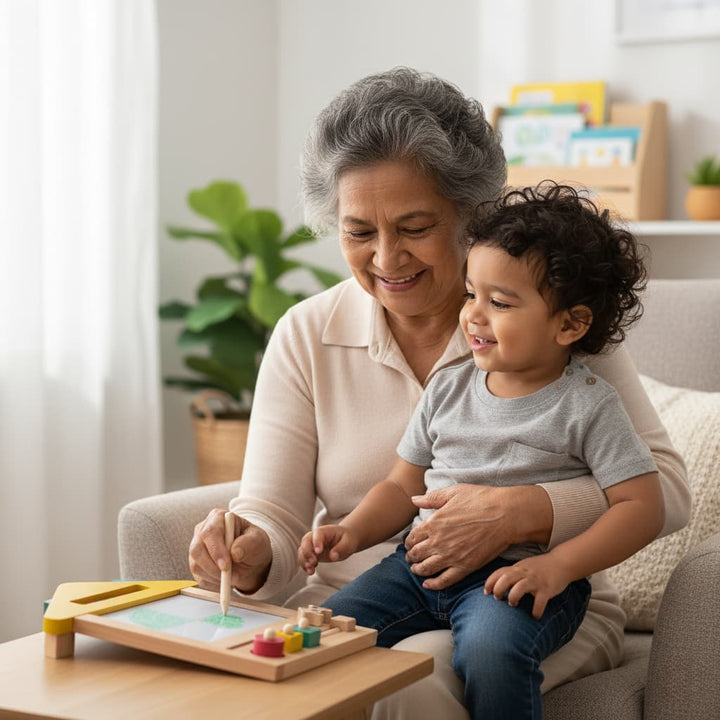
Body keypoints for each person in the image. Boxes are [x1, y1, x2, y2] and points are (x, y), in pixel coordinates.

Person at [188, 68, 689, 719]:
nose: (387, 259)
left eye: (415, 226)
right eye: (359, 232)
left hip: (534, 595)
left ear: (472, 217)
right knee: (303, 662)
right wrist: (248, 549)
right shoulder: (305, 334)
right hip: (394, 587)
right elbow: (279, 517)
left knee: (407, 684)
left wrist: (522, 512)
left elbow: (666, 492)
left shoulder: (548, 322)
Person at [297, 183, 664, 719]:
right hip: (416, 572)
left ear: (570, 324)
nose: (473, 315)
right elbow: (403, 486)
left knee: (493, 655)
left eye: (500, 302)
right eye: (472, 293)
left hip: (518, 581)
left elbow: (643, 506)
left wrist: (559, 566)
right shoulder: (449, 387)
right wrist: (352, 532)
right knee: (328, 633)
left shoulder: (588, 405)